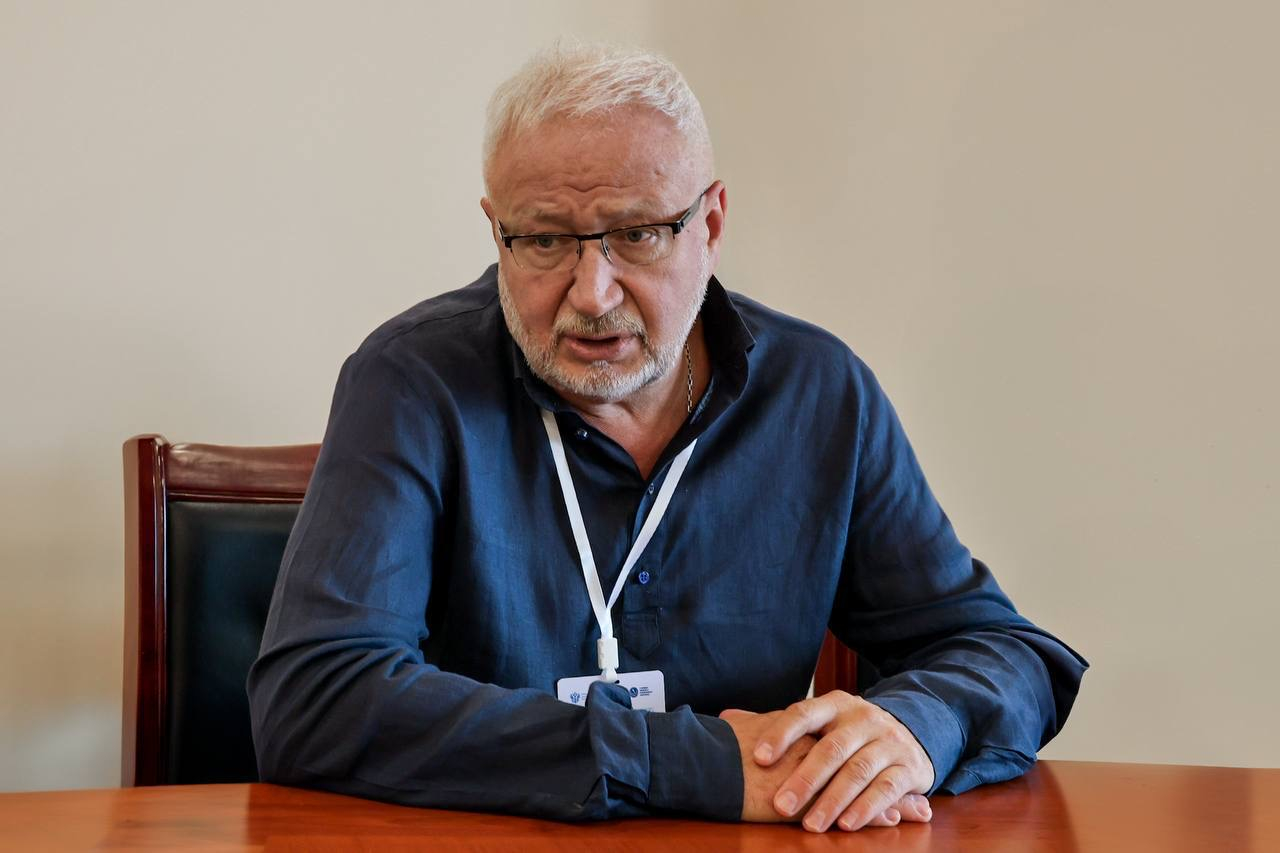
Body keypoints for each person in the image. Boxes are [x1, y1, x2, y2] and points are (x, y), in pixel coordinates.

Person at [247, 42, 1087, 833]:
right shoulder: (410, 381)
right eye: (545, 239)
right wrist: (702, 763)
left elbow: (1004, 651)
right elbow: (315, 698)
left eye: (637, 234)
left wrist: (912, 728)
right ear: (496, 230)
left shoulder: (819, 393)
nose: (592, 292)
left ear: (711, 225)